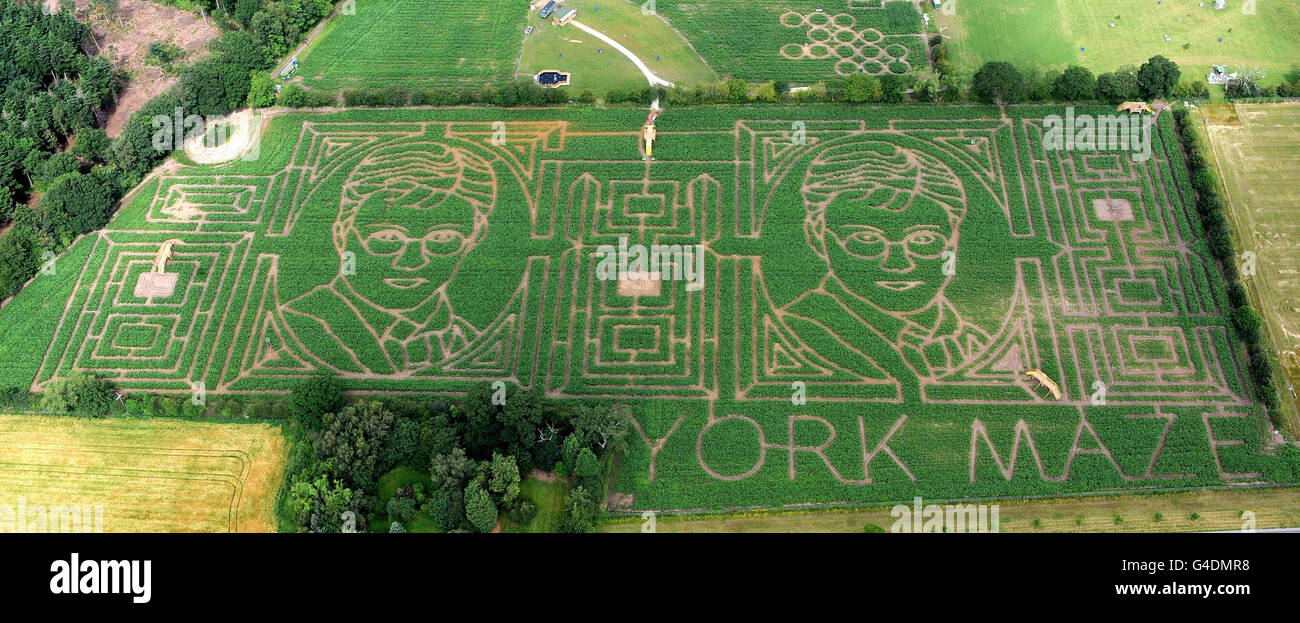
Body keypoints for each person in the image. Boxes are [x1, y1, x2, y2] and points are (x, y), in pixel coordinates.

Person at [283, 141, 498, 375]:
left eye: (443, 238)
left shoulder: (462, 337)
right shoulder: (305, 320)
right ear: (341, 234)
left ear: (475, 237)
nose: (411, 262)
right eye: (387, 238)